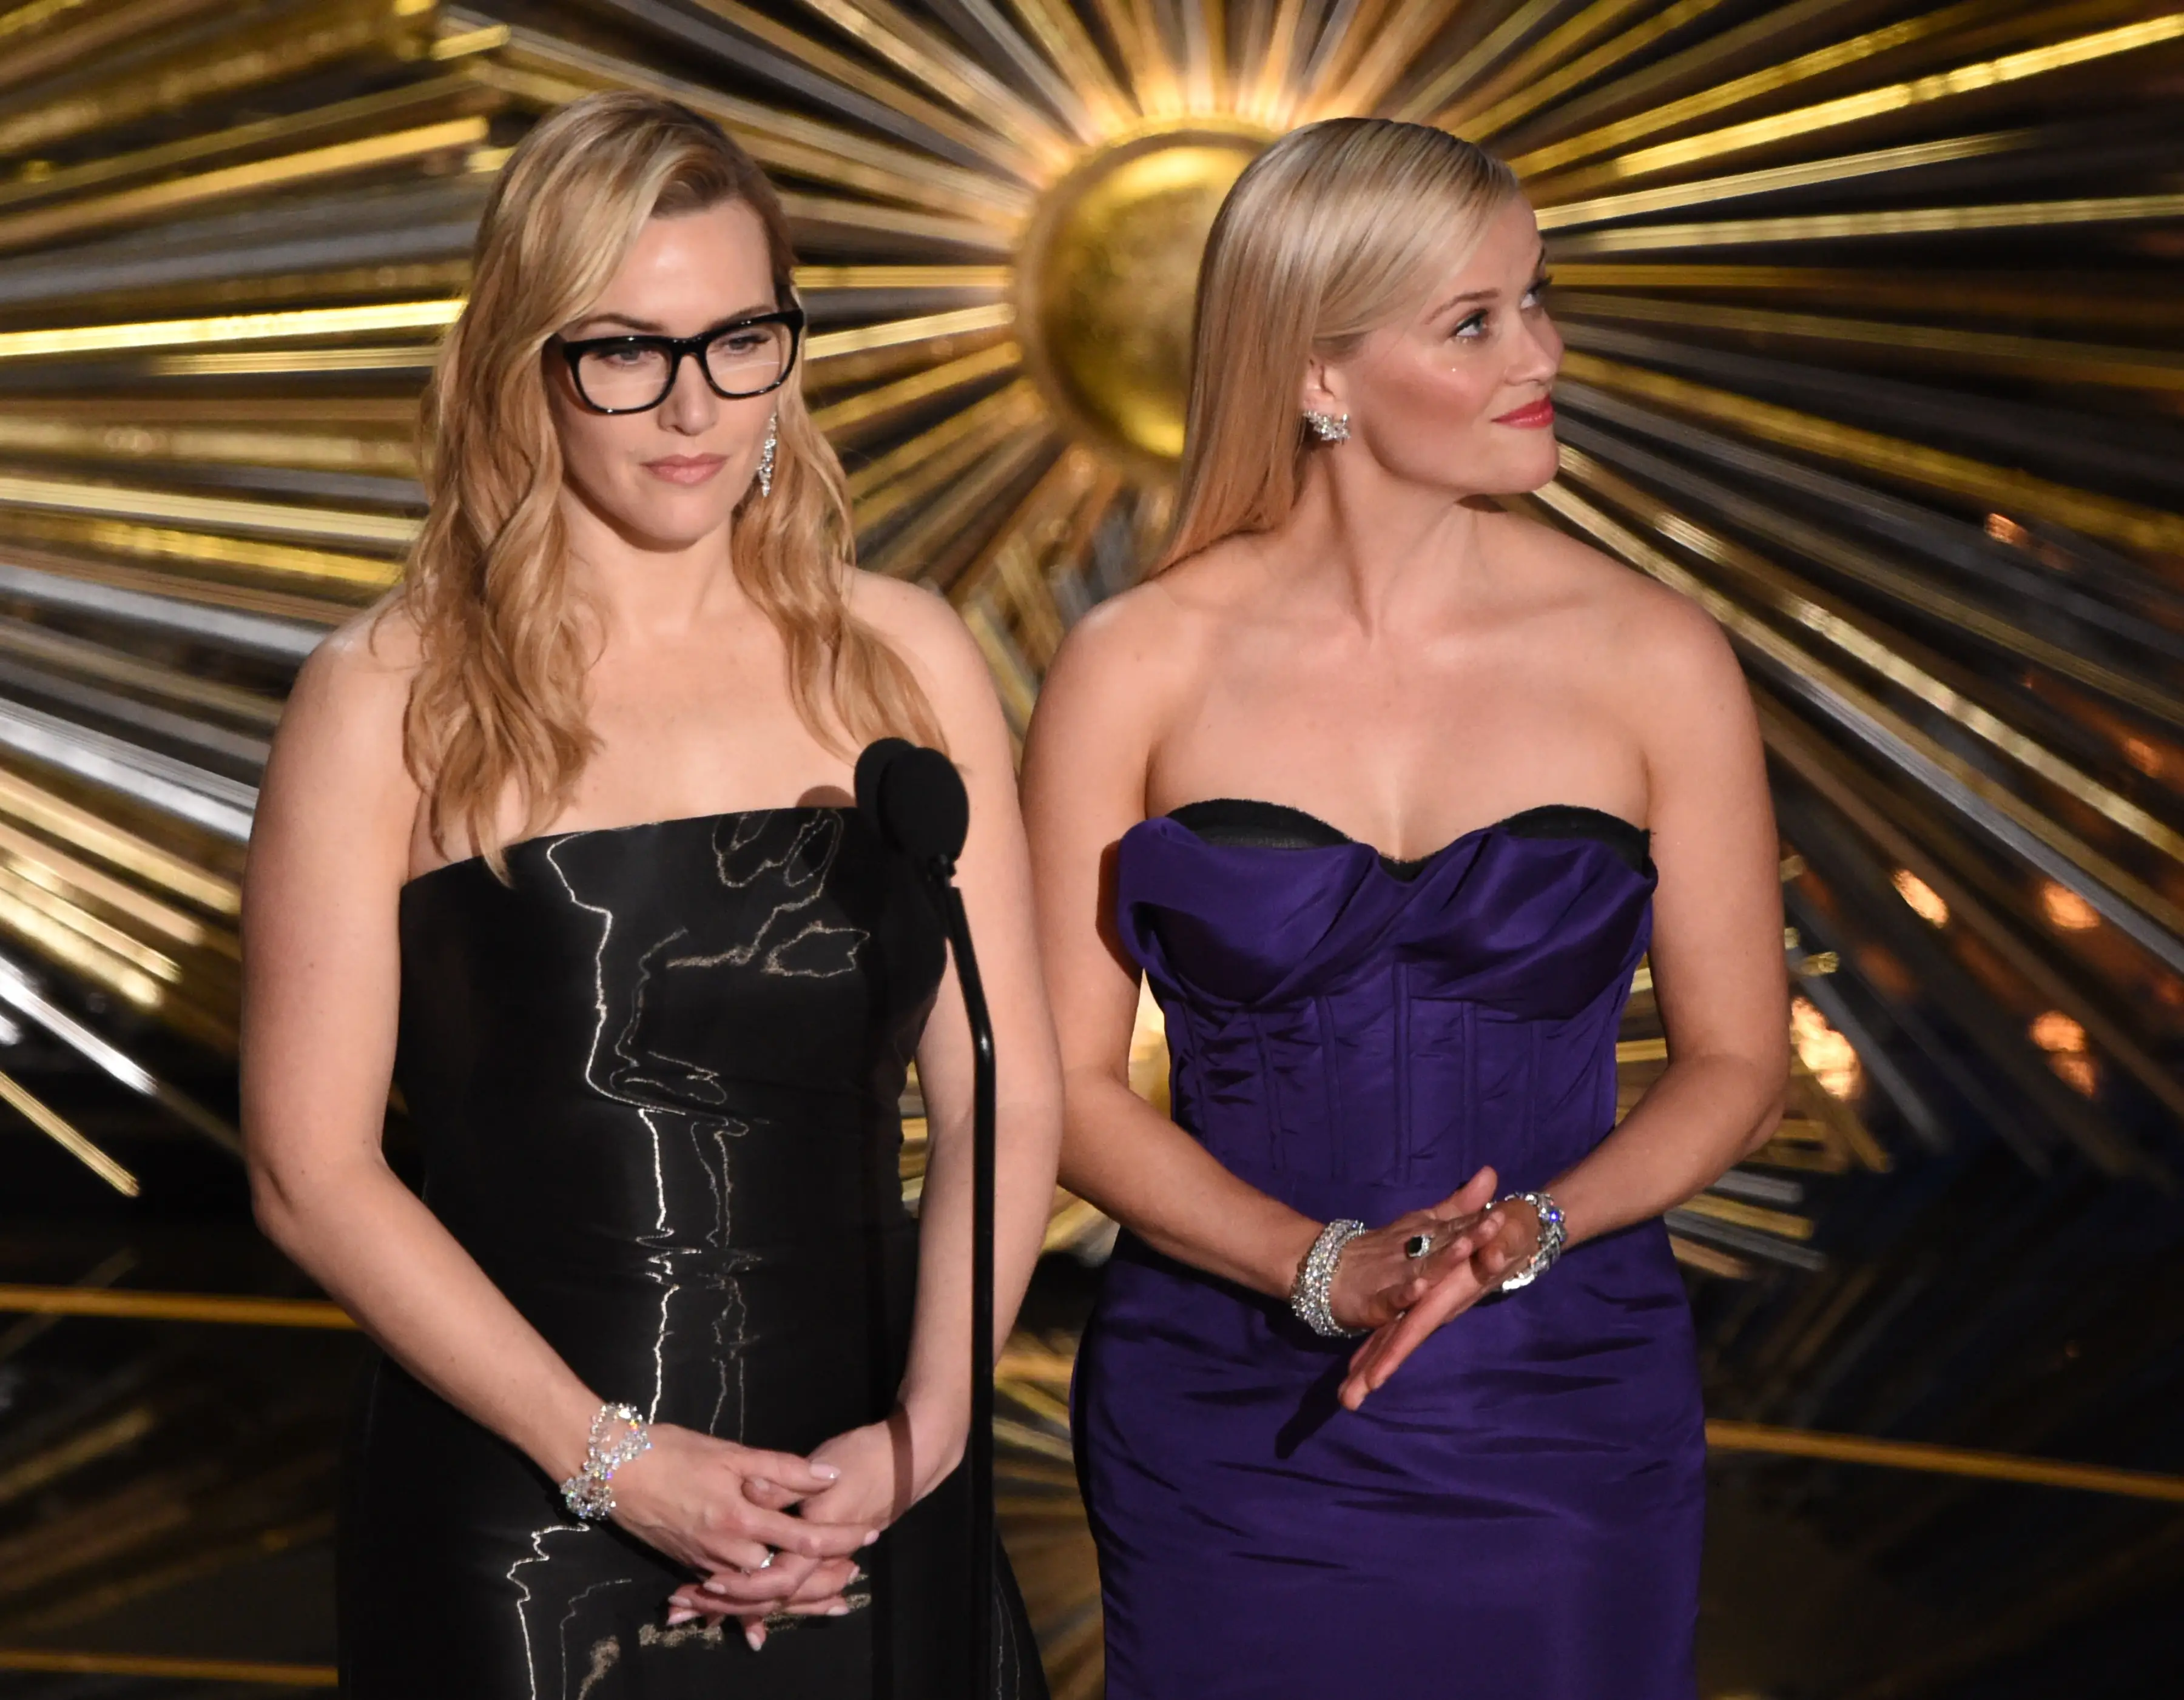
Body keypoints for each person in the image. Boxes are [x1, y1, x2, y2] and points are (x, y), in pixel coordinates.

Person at [240, 93, 1059, 1698]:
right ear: (523, 366)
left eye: (738, 339)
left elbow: (999, 1087)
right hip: (529, 1519)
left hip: (870, 1489)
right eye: (624, 349)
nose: (692, 406)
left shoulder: (905, 654)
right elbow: (307, 1171)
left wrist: (927, 1435)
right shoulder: (387, 697)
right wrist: (615, 1463)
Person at [1022, 117, 1787, 1698]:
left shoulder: (1656, 655)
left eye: (1536, 299)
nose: (1542, 351)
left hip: (1565, 1408)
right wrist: (1315, 1266)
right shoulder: (1135, 664)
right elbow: (1061, 1086)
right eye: (1474, 321)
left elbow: (1736, 1061)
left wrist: (1543, 1227)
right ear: (1318, 377)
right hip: (1225, 1420)